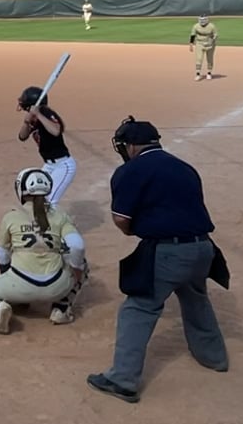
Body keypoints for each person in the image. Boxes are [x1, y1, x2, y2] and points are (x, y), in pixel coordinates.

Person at [87, 116, 230, 404]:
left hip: (168, 252)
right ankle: (215, 358)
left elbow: (121, 219)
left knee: (138, 308)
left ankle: (122, 379)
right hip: (203, 249)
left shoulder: (131, 170)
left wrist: (134, 230)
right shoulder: (184, 167)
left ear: (131, 146)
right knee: (196, 300)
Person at [0, 167, 89, 333]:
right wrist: (77, 269)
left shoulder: (11, 216)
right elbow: (77, 246)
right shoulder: (60, 216)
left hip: (20, 283)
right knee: (82, 264)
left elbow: (2, 254)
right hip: (56, 286)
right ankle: (61, 309)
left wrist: (8, 277)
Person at [16, 86, 76, 205]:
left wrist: (38, 114)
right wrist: (26, 122)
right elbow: (22, 137)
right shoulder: (32, 117)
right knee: (38, 196)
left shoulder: (47, 114)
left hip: (63, 165)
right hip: (49, 165)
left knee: (49, 201)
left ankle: (53, 218)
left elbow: (56, 131)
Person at [189, 15, 218, 81]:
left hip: (210, 44)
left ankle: (209, 73)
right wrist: (191, 44)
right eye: (201, 20)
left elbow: (215, 34)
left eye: (204, 20)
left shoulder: (211, 26)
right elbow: (193, 35)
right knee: (199, 59)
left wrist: (213, 40)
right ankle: (198, 74)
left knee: (210, 59)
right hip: (200, 43)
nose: (202, 21)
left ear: (207, 20)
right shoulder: (196, 26)